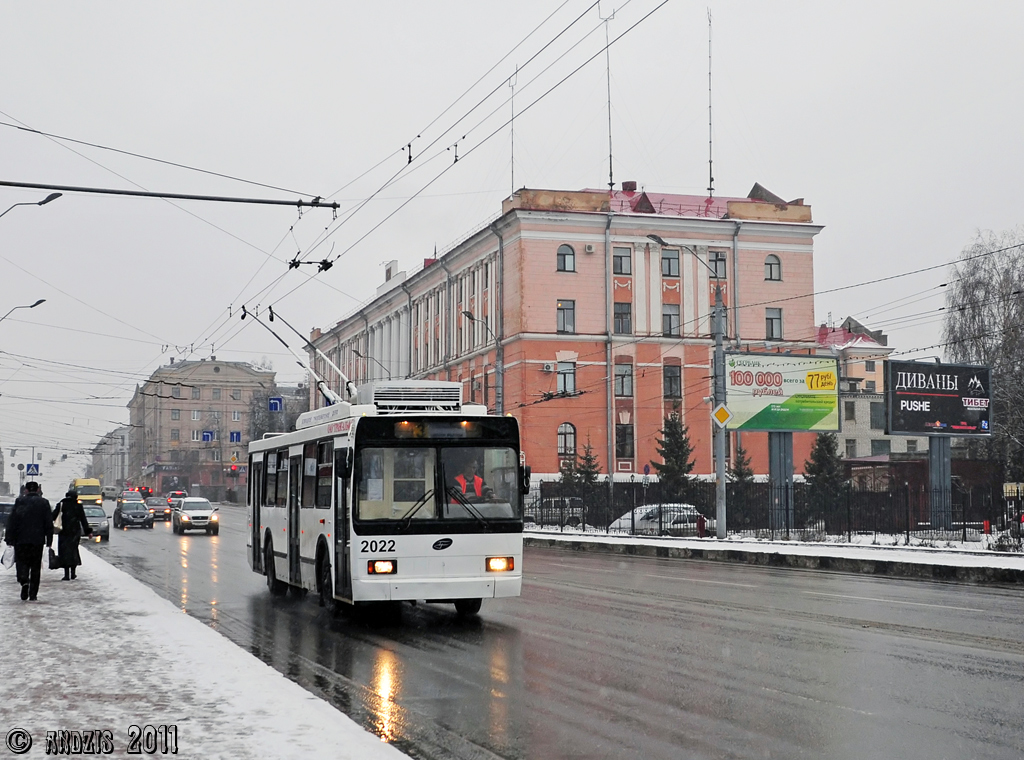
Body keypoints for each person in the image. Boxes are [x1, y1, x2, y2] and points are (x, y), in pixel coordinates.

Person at [4, 481, 53, 601]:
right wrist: (49, 540)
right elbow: (48, 522)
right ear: (37, 490)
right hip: (37, 540)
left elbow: (12, 521)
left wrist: (9, 538)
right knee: (35, 566)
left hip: (21, 539)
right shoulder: (44, 503)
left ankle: (24, 580)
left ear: (26, 490)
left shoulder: (20, 502)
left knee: (21, 563)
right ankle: (33, 593)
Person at [53, 489, 92, 580]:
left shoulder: (61, 505)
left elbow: (53, 516)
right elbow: (83, 520)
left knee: (64, 552)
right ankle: (73, 573)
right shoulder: (78, 506)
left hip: (64, 532)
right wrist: (88, 531)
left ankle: (66, 574)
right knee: (73, 551)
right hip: (75, 532)